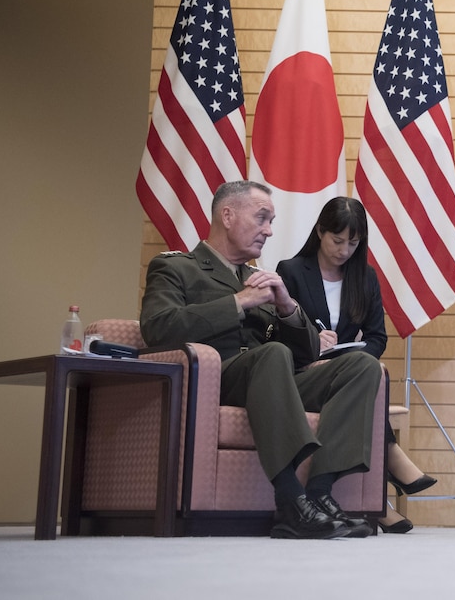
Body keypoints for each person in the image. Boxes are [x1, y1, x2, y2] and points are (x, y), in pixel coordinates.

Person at [140, 181, 382, 540]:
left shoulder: (261, 278)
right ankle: (289, 501)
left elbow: (306, 353)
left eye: (271, 221)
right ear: (227, 215)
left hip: (273, 381)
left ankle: (319, 493)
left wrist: (286, 306)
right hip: (218, 380)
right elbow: (157, 327)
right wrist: (237, 303)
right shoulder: (177, 268)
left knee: (362, 366)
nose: (269, 230)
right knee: (272, 354)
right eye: (262, 218)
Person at [277, 196, 437, 534]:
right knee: (365, 379)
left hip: (345, 374)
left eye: (353, 242)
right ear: (320, 231)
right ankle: (384, 477)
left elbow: (378, 338)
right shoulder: (290, 271)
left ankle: (368, 499)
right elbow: (275, 335)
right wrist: (311, 348)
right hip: (302, 376)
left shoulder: (365, 278)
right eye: (337, 240)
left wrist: (348, 358)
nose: (344, 250)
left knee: (365, 369)